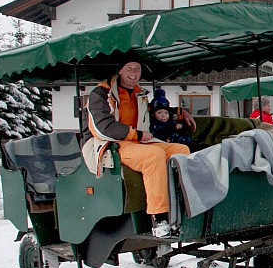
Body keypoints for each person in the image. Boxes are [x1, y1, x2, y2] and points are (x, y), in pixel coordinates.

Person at [82, 56, 195, 238]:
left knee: (182, 150)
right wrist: (138, 134)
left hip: (137, 142)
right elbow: (103, 128)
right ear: (120, 71)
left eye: (137, 69)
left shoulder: (139, 93)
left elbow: (155, 112)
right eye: (129, 68)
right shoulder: (100, 94)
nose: (134, 73)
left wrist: (180, 113)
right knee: (154, 154)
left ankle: (182, 206)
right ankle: (159, 218)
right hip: (110, 144)